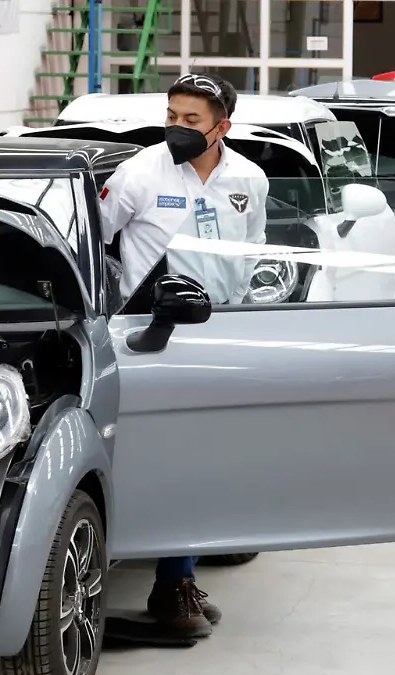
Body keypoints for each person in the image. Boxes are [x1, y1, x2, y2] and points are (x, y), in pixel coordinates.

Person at [96, 72, 270, 637]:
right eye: (172, 116)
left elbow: (253, 250)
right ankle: (170, 580)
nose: (177, 127)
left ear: (223, 127)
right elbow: (94, 241)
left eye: (191, 120)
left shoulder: (250, 178)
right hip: (151, 336)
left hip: (222, 332)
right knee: (168, 457)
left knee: (211, 460)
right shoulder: (138, 173)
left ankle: (179, 575)